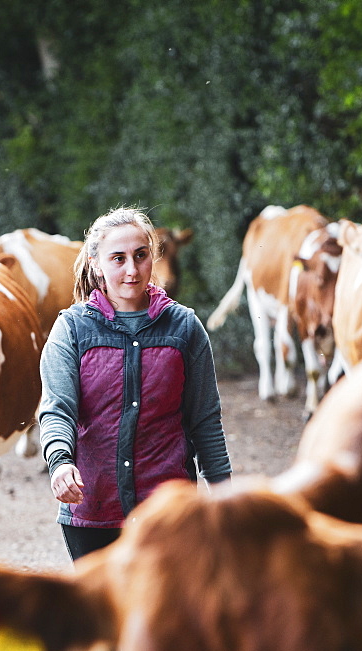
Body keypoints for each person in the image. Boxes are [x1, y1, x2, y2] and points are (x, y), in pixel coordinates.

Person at [39, 206, 232, 562]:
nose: (132, 270)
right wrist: (61, 461)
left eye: (141, 256)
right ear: (97, 264)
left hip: (169, 512)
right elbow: (57, 409)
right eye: (118, 258)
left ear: (153, 257)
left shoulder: (185, 328)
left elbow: (205, 419)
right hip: (92, 511)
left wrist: (223, 493)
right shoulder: (71, 330)